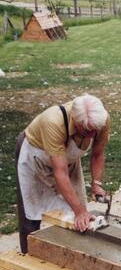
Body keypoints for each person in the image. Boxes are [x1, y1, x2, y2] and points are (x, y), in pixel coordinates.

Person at [15, 94, 111, 252]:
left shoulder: (101, 119)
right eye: (87, 131)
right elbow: (60, 173)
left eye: (95, 131)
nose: (92, 135)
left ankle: (71, 253)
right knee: (32, 211)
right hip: (35, 155)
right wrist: (79, 211)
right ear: (74, 119)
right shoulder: (53, 121)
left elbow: (98, 154)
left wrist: (96, 184)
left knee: (76, 210)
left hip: (66, 159)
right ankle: (29, 256)